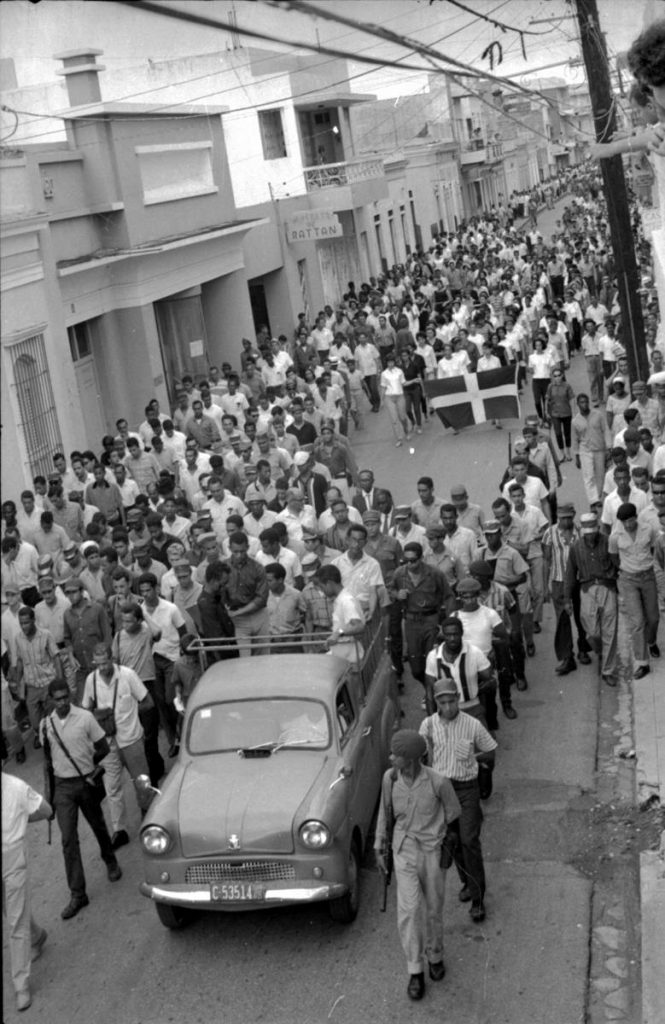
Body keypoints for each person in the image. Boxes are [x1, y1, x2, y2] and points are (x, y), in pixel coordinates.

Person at [374, 729, 461, 1002]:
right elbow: (384, 813)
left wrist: (446, 843)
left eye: (396, 755)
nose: (391, 758)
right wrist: (379, 843)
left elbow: (454, 814)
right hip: (404, 851)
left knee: (434, 908)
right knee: (409, 910)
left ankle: (435, 954)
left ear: (411, 759)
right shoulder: (389, 779)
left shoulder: (438, 782)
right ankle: (415, 970)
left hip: (432, 851)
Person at [40, 680, 122, 921]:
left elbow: (104, 748)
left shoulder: (85, 717)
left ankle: (111, 860)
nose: (63, 702)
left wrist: (90, 767)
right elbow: (47, 762)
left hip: (85, 781)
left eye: (66, 697)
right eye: (58, 698)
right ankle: (78, 894)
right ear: (51, 700)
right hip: (63, 787)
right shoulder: (46, 725)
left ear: (71, 695)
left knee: (98, 826)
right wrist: (50, 797)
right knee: (68, 839)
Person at [420, 677, 497, 924]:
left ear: (458, 699)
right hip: (442, 791)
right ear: (436, 702)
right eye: (443, 702)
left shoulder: (472, 724)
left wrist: (474, 754)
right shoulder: (428, 726)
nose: (449, 707)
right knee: (451, 841)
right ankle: (467, 882)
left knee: (469, 840)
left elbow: (491, 751)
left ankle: (477, 898)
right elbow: (422, 754)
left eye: (452, 701)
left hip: (466, 789)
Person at [81, 643, 154, 850]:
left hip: (131, 739)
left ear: (112, 659)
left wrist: (130, 714)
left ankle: (148, 818)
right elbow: (85, 711)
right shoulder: (91, 681)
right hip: (108, 744)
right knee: (111, 787)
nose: (102, 668)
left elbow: (147, 702)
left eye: (105, 662)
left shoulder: (128, 675)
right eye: (98, 663)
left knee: (141, 781)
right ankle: (119, 830)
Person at [2, 762, 51, 1012]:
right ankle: (37, 935)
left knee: (15, 921)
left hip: (12, 856)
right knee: (11, 912)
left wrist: (21, 819)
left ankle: (20, 984)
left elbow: (46, 810)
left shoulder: (16, 787)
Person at [565, 513, 619, 686]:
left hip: (608, 587)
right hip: (587, 589)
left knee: (610, 630)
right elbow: (570, 574)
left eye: (593, 531)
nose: (590, 535)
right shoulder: (575, 548)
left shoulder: (608, 541)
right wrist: (567, 599)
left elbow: (618, 565)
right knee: (593, 632)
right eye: (587, 532)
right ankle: (601, 649)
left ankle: (608, 670)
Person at [608, 503, 660, 679]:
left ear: (636, 517)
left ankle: (651, 641)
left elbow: (652, 548)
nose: (628, 525)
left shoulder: (648, 529)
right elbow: (614, 557)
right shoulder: (615, 537)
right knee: (637, 622)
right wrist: (625, 569)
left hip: (648, 577)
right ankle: (642, 662)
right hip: (628, 580)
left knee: (653, 617)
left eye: (631, 520)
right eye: (625, 522)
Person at [542, 504, 592, 676]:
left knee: (581, 616)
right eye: (563, 518)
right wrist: (544, 587)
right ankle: (567, 657)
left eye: (569, 517)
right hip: (558, 581)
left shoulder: (580, 532)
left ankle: (583, 648)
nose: (566, 521)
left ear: (573, 516)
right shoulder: (550, 533)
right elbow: (546, 560)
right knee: (563, 620)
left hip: (578, 581)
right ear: (558, 517)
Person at [316, 565, 365, 664]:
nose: (321, 591)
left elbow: (358, 626)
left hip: (350, 657)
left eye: (321, 587)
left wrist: (338, 633)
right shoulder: (340, 599)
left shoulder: (346, 601)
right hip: (342, 654)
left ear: (329, 583)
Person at [572, 393, 608, 504]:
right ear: (578, 404)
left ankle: (599, 495)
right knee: (588, 476)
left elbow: (605, 430)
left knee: (600, 474)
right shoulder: (575, 421)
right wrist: (577, 456)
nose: (585, 404)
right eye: (582, 402)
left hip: (599, 448)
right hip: (585, 450)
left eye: (586, 401)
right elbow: (575, 439)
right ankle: (593, 500)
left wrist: (609, 447)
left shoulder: (598, 415)